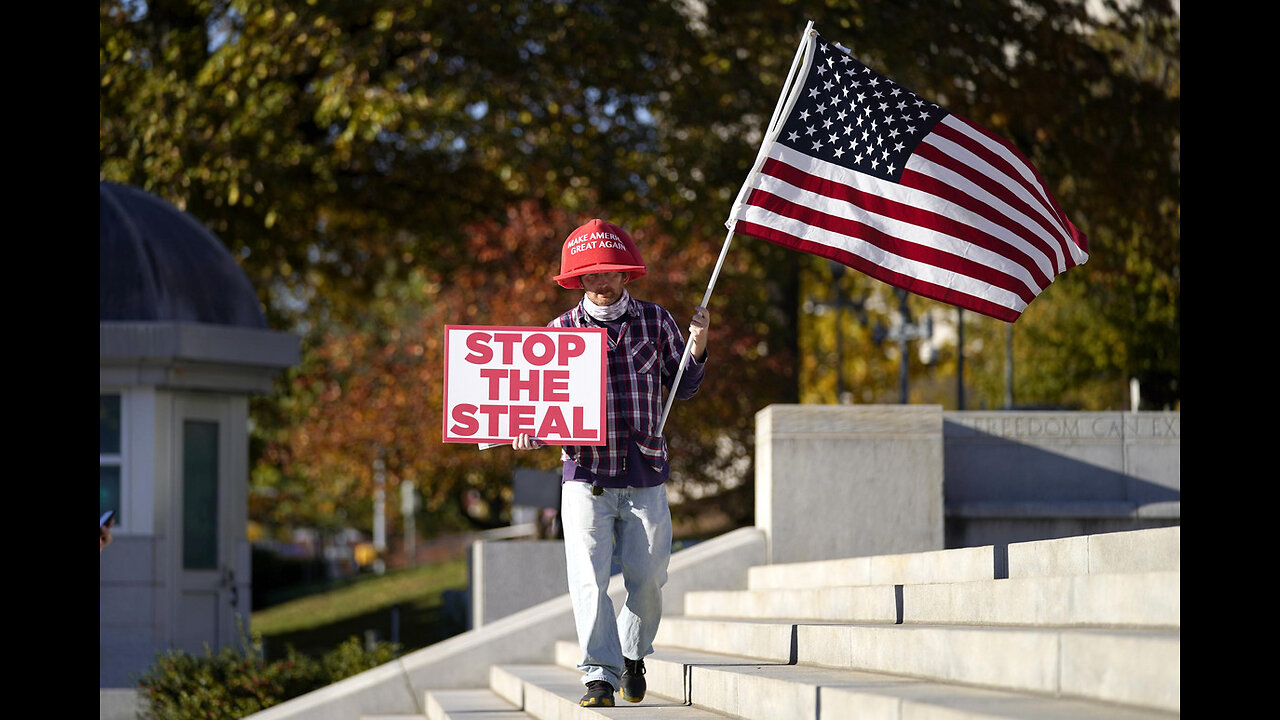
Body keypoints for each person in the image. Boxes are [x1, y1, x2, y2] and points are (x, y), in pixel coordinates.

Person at [513, 218, 710, 707]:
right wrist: (526, 431)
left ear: (626, 275)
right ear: (577, 281)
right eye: (590, 275)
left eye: (609, 272)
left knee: (649, 579)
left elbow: (683, 387)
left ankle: (633, 654)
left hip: (645, 474)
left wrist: (699, 342)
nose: (600, 281)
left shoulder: (657, 321)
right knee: (588, 580)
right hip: (585, 476)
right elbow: (540, 409)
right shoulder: (557, 334)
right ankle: (598, 676)